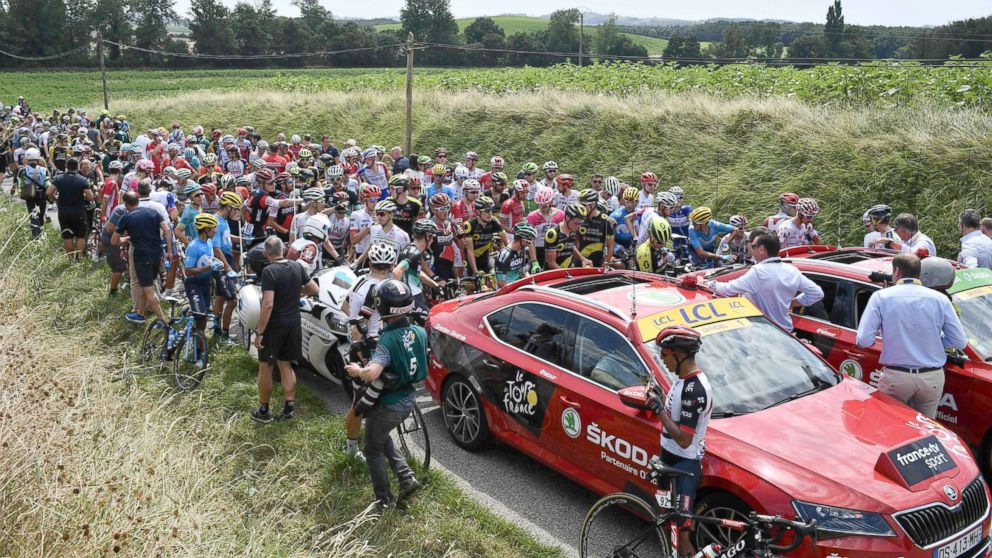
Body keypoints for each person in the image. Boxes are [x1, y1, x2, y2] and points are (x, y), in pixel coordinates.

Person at [344, 279, 427, 509]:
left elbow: (373, 372)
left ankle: (384, 500)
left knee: (371, 449)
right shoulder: (419, 332)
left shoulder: (387, 340)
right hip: (409, 398)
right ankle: (406, 477)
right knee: (381, 435)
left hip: (389, 403)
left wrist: (358, 370)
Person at [855, 253, 966, 418]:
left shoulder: (881, 297)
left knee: (889, 425)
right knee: (926, 429)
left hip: (896, 377)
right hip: (932, 377)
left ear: (897, 271)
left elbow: (864, 340)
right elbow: (959, 342)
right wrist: (934, 342)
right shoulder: (940, 299)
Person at [646, 326, 712, 557]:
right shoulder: (683, 381)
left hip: (684, 464)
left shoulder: (695, 390)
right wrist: (660, 399)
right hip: (669, 458)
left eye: (664, 354)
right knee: (669, 525)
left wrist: (658, 412)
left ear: (679, 354)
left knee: (682, 535)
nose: (662, 359)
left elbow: (684, 439)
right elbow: (677, 415)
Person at [252, 236, 319, 423]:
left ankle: (264, 411)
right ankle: (289, 409)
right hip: (293, 323)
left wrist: (259, 332)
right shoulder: (297, 266)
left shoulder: (269, 271)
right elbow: (314, 289)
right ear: (283, 249)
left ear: (266, 253)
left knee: (265, 366)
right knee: (286, 364)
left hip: (274, 326)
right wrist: (296, 293)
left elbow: (267, 304)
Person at [703, 229, 823, 332]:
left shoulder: (758, 272)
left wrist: (707, 283)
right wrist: (792, 302)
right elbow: (817, 293)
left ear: (761, 249)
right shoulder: (792, 270)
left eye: (753, 246)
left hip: (763, 332)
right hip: (786, 331)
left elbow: (728, 289)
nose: (751, 249)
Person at [342, 242, 397, 459]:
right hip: (369, 346)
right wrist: (364, 353)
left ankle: (357, 443)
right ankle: (354, 447)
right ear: (391, 265)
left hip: (359, 344)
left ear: (370, 261)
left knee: (364, 398)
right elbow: (359, 326)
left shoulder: (359, 280)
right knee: (362, 401)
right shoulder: (382, 289)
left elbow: (344, 307)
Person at [111, 190, 172, 324]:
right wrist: (170, 250)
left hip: (141, 256)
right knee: (147, 283)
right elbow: (167, 230)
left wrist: (127, 238)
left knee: (148, 288)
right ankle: (140, 314)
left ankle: (162, 322)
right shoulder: (153, 213)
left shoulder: (125, 218)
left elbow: (114, 241)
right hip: (157, 253)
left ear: (126, 204)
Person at [48, 158, 93, 261]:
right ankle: (80, 258)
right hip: (79, 211)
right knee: (80, 235)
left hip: (63, 211)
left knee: (67, 235)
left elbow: (49, 192)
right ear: (77, 167)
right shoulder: (82, 179)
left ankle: (71, 259)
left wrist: (55, 200)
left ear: (66, 166)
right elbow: (90, 197)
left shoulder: (58, 178)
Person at [183, 213, 222, 334]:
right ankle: (196, 348)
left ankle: (199, 348)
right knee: (201, 318)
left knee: (203, 318)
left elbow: (208, 260)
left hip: (206, 284)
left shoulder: (209, 242)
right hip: (194, 285)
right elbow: (188, 271)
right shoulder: (193, 247)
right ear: (206, 229)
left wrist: (217, 264)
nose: (215, 231)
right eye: (214, 228)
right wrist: (208, 268)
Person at [393, 219, 440, 311]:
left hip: (416, 294)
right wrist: (398, 298)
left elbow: (417, 273)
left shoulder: (414, 250)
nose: (433, 240)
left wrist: (435, 285)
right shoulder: (413, 253)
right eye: (432, 236)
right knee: (430, 322)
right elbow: (396, 271)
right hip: (411, 296)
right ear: (427, 236)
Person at [100, 191, 134, 295]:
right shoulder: (121, 210)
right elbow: (110, 228)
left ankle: (129, 282)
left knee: (126, 262)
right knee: (119, 266)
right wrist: (126, 232)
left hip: (119, 239)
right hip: (111, 241)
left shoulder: (127, 209)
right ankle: (113, 292)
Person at [16, 147, 51, 239]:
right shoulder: (44, 170)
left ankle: (35, 236)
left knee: (32, 215)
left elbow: (20, 184)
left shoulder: (22, 170)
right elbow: (47, 184)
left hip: (29, 195)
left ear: (27, 158)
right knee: (41, 215)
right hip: (42, 195)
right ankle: (41, 234)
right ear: (38, 157)